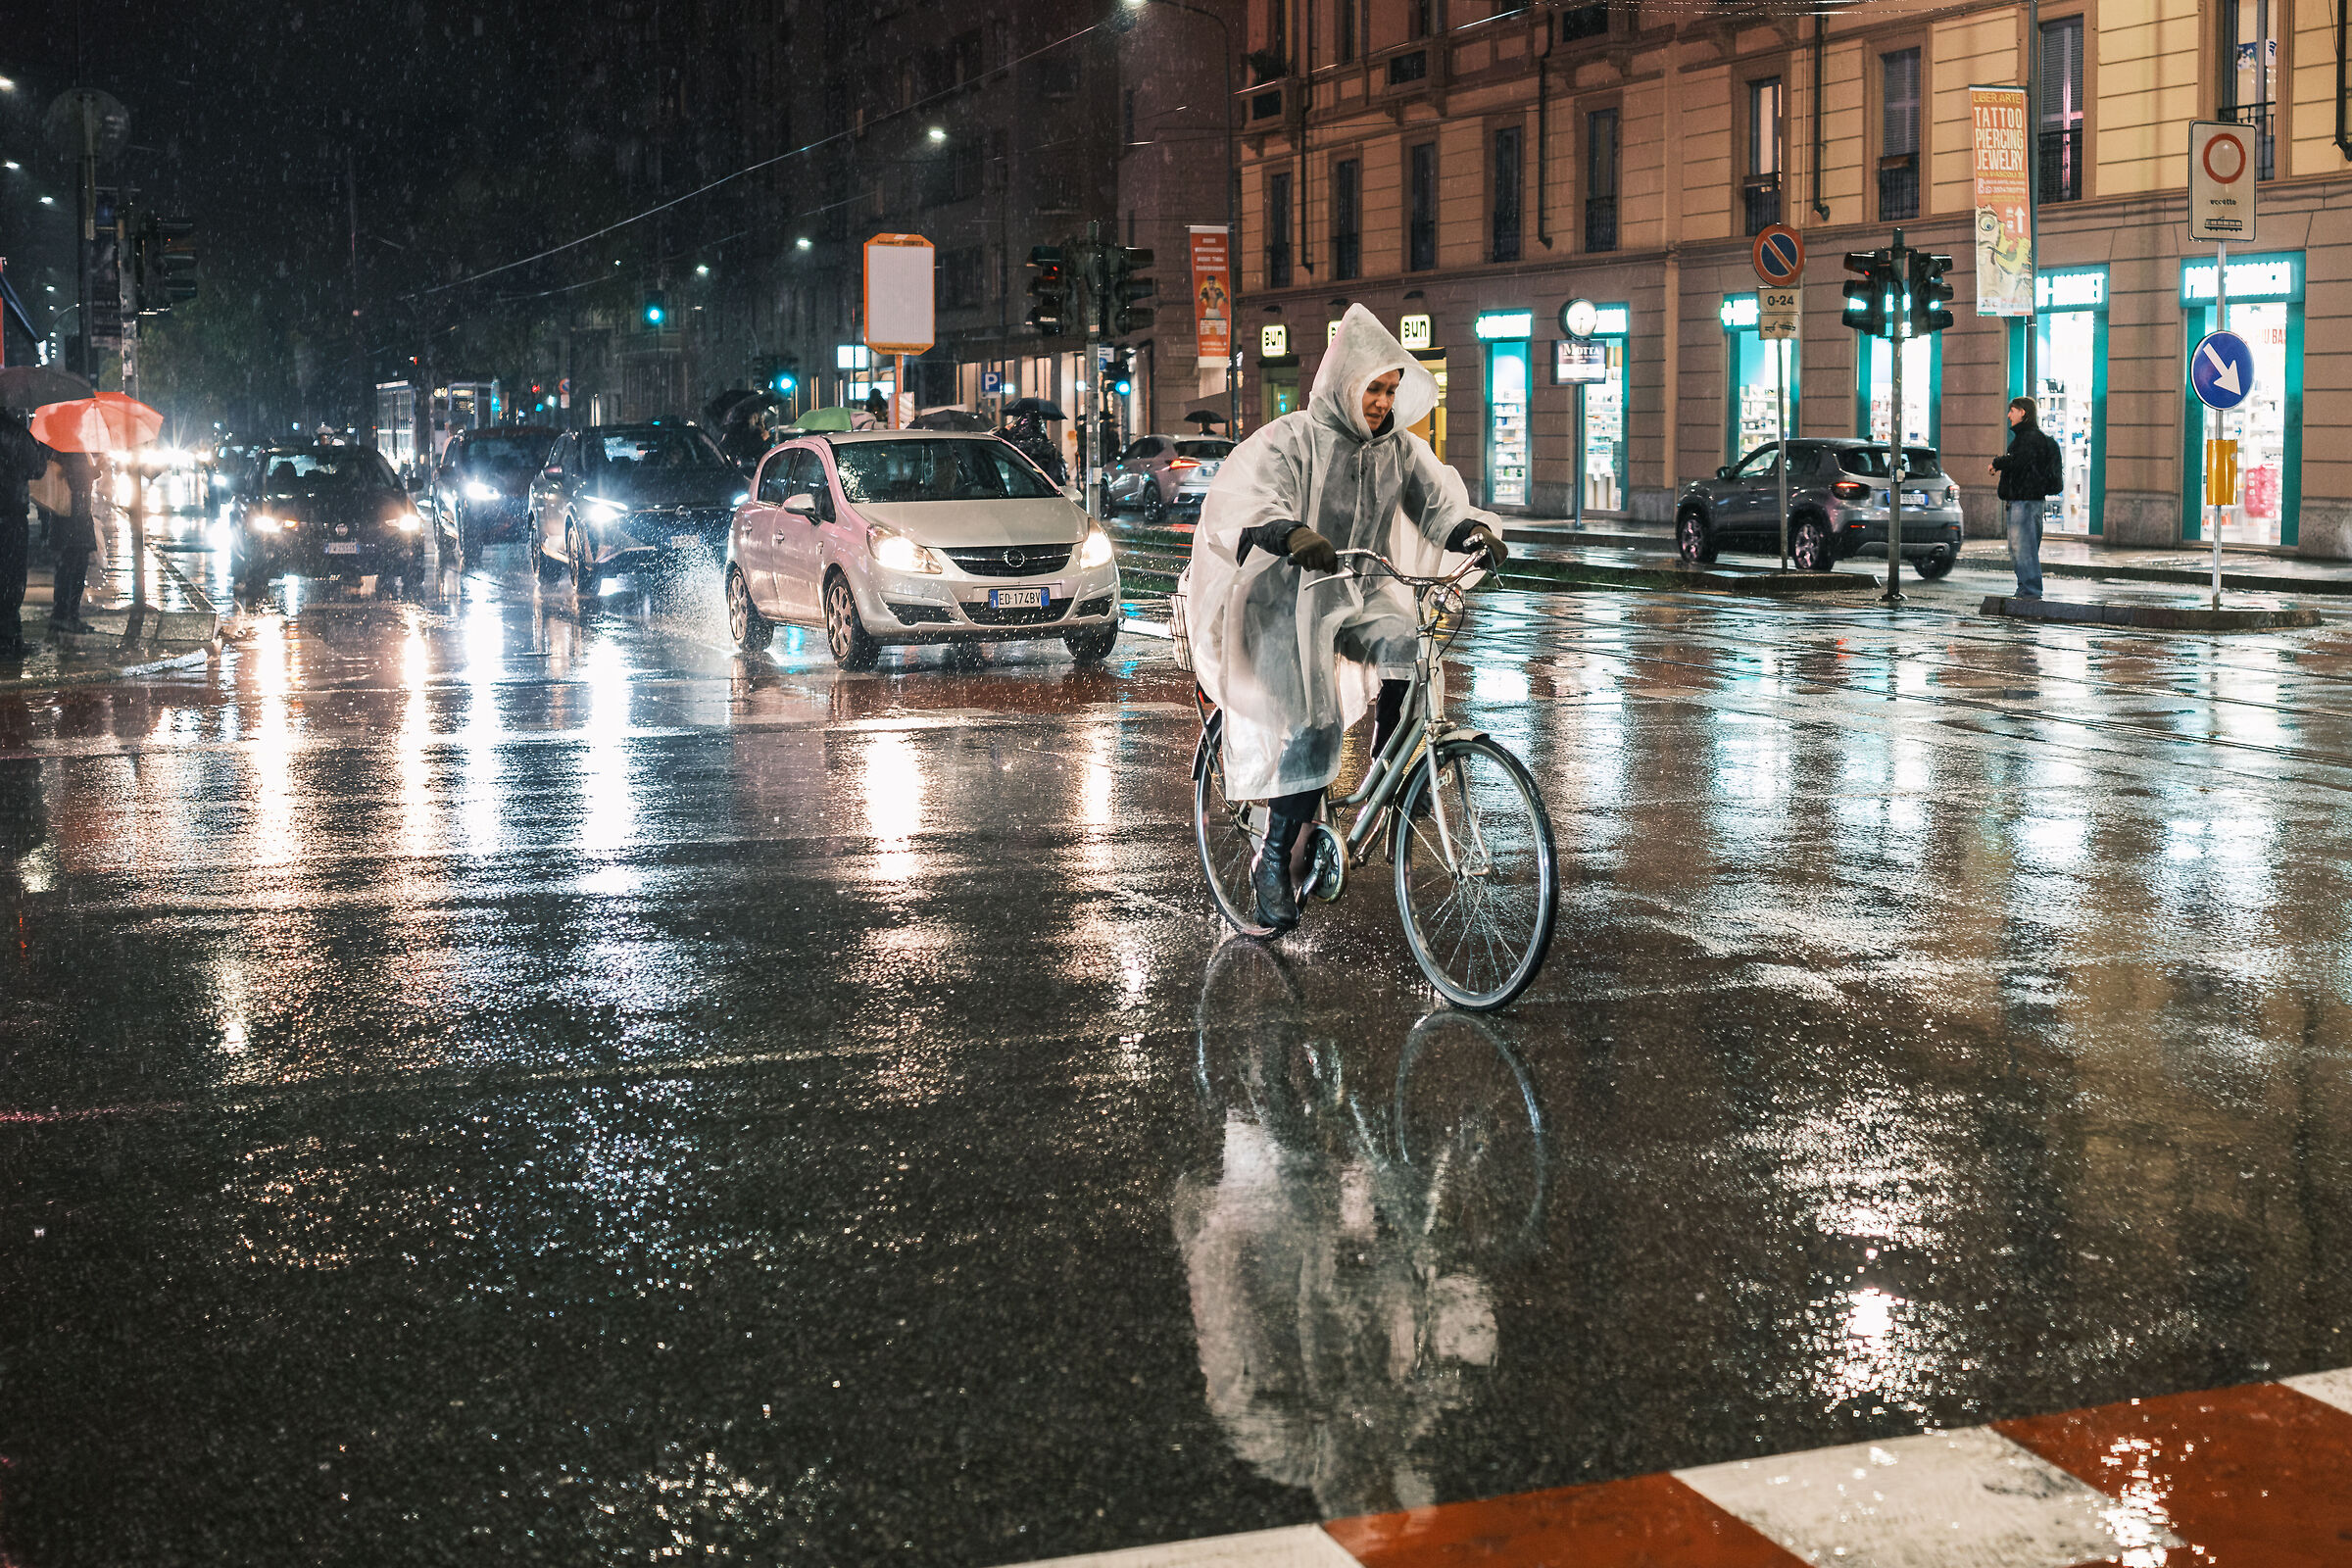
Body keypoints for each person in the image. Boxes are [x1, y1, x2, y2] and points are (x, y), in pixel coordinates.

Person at [1190, 305, 1508, 934]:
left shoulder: (1398, 449)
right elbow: (1248, 495)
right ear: (1345, 383)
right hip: (1287, 600)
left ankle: (1389, 778)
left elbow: (1436, 504)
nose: (1383, 403)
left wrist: (1470, 530)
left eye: (1392, 391)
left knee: (1415, 651)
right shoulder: (1293, 438)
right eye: (1374, 389)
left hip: (1361, 590)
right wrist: (1289, 532)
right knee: (1312, 721)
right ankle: (1274, 862)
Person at [1989, 396, 2062, 599]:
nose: (2008, 415)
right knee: (2022, 548)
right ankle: (2026, 589)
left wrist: (1998, 463)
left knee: (2023, 549)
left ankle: (2029, 592)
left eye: (2012, 410)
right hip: (2027, 501)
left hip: (2025, 501)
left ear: (2023, 412)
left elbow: (2019, 462)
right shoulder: (2029, 438)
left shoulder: (2028, 439)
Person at [0, 407, 49, 660]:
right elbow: (37, 469)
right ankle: (9, 640)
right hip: (11, 515)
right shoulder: (18, 434)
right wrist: (42, 445)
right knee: (11, 579)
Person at [46, 452, 100, 635]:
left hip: (69, 521)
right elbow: (77, 481)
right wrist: (94, 471)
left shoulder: (64, 451)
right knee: (74, 569)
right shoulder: (71, 452)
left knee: (68, 569)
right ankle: (67, 616)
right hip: (74, 521)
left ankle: (64, 615)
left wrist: (93, 472)